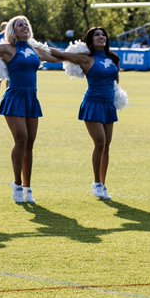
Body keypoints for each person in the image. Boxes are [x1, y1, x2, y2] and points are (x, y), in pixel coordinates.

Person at [0, 16, 59, 204]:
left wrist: (83, 54)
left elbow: (55, 57)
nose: (25, 27)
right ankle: (17, 184)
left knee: (29, 144)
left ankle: (28, 187)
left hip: (31, 99)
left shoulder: (34, 49)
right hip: (14, 99)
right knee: (21, 139)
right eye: (20, 25)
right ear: (13, 31)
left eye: (26, 24)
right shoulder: (7, 48)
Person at [46, 27, 123, 201]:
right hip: (93, 104)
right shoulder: (86, 59)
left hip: (108, 105)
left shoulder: (113, 58)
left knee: (106, 146)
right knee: (100, 142)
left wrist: (118, 97)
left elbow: (116, 81)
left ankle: (103, 184)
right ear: (90, 40)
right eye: (97, 35)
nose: (101, 37)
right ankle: (96, 183)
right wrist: (36, 46)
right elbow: (61, 54)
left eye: (103, 34)